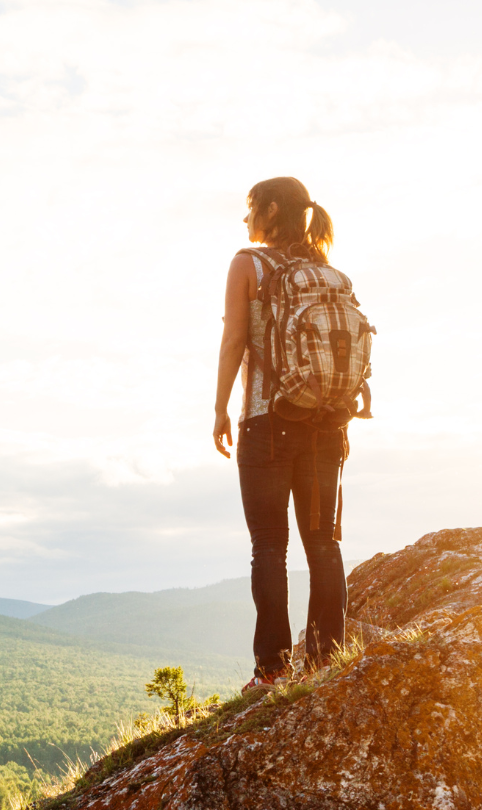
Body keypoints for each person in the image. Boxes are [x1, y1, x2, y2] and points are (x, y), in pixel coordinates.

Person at [212, 177, 347, 692]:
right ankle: (326, 662)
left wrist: (221, 407)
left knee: (270, 546)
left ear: (270, 209)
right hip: (326, 425)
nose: (246, 222)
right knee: (324, 543)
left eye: (250, 210)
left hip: (268, 422)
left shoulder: (248, 264)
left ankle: (271, 669)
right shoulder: (326, 270)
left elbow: (234, 340)